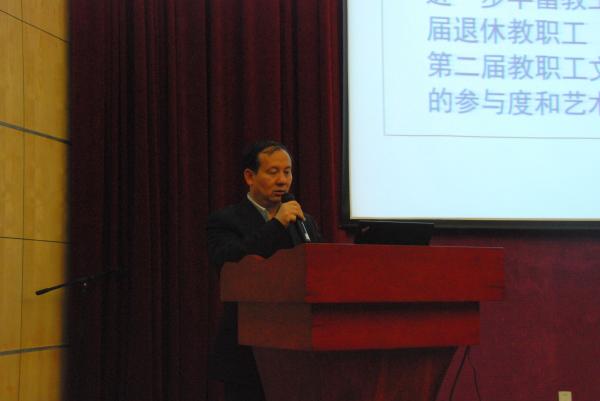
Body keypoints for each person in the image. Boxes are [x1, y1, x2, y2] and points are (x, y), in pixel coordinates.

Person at [206, 140, 321, 401]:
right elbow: (229, 262)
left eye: (287, 172)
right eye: (273, 172)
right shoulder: (225, 220)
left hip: (298, 348)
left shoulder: (303, 221)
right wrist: (276, 225)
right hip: (246, 353)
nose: (282, 180)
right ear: (250, 177)